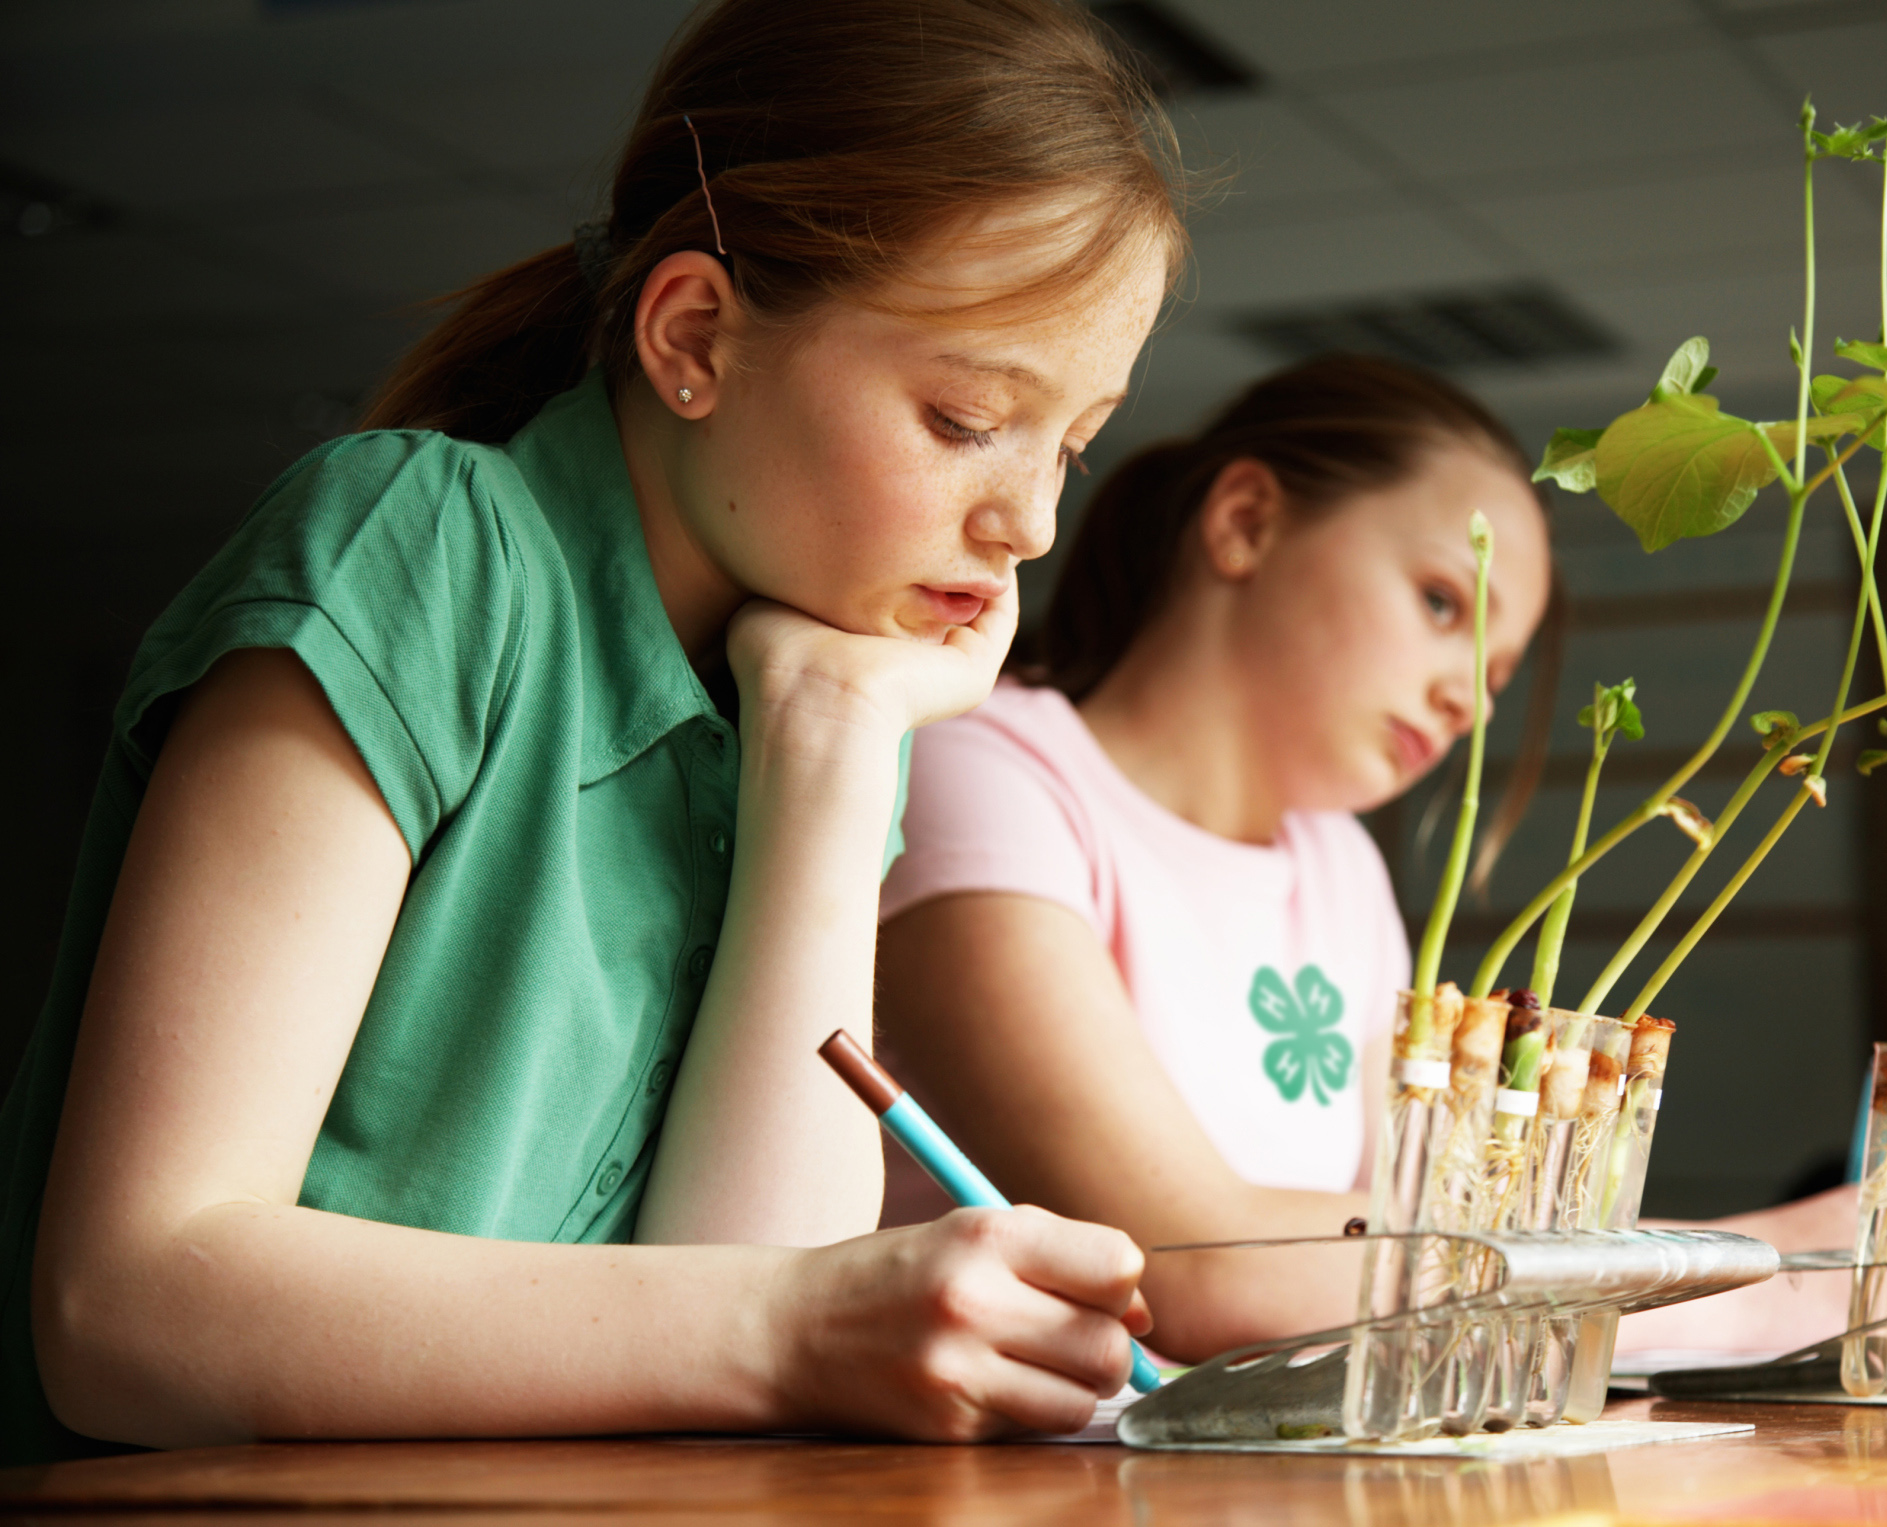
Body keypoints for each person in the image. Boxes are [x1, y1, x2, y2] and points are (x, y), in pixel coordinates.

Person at [2, 0, 1184, 1463]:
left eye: (1070, 441)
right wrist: (807, 1320)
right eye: (963, 418)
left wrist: (830, 742)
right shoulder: (428, 542)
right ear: (693, 333)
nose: (1031, 522)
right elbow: (123, 1305)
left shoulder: (816, 690)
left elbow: (741, 1350)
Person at [874, 356, 1855, 1365]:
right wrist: (1766, 1271)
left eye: (1497, 673)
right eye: (1441, 605)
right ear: (1247, 521)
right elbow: (1183, 1266)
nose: (1465, 699)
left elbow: (1429, 1245)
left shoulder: (1338, 864)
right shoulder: (982, 759)